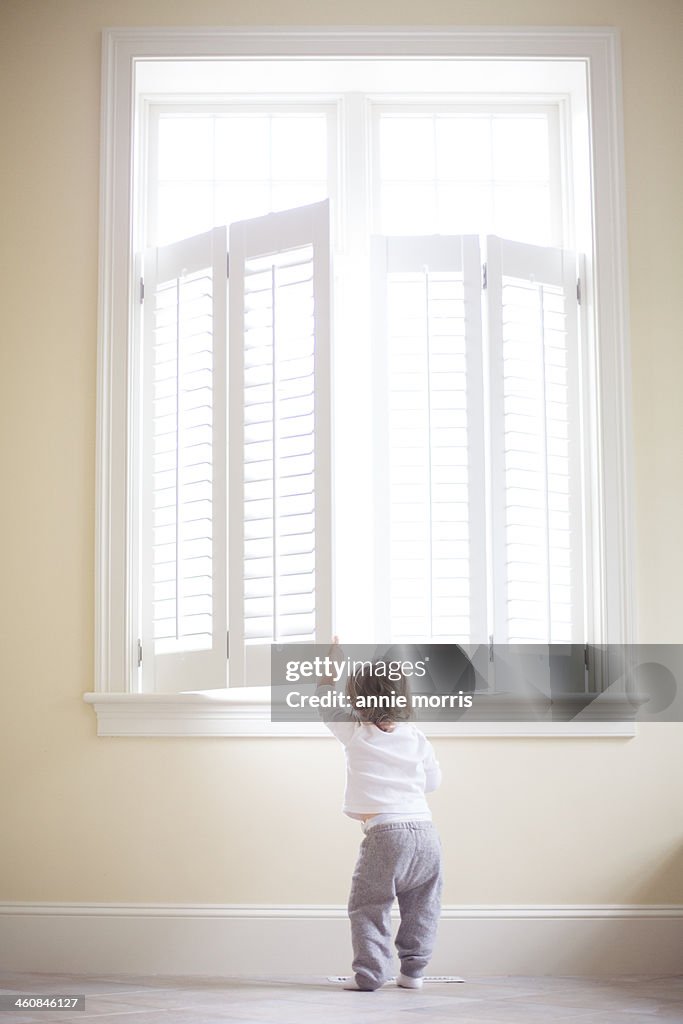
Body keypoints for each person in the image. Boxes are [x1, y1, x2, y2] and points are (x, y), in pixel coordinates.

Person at [317, 637, 443, 992]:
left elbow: (324, 704)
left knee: (370, 905)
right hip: (426, 833)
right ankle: (413, 973)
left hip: (386, 835)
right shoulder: (416, 736)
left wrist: (328, 674)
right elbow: (433, 781)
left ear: (355, 701)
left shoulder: (356, 732)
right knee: (422, 906)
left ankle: (371, 975)